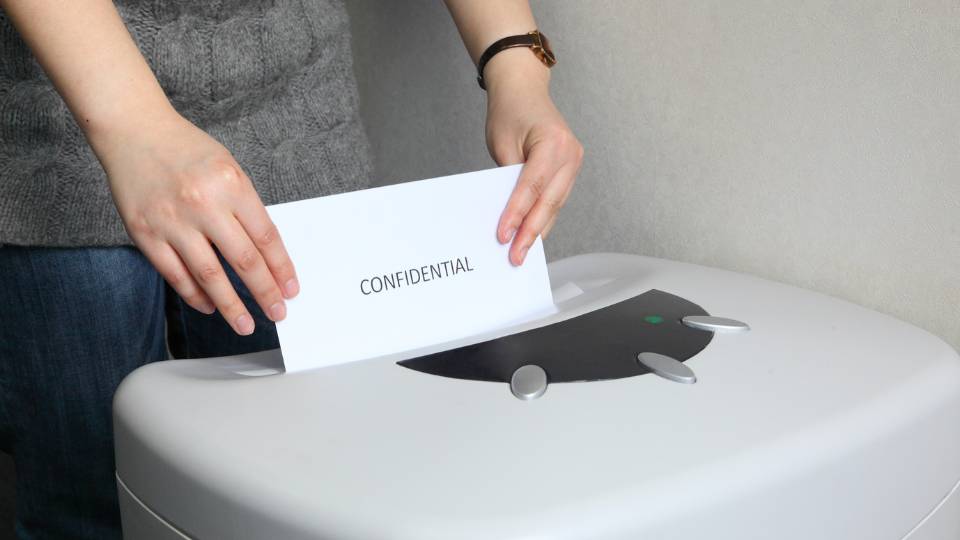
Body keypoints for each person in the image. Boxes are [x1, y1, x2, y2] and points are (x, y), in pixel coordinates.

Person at [0, 0, 583, 537]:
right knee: (86, 500)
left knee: (300, 486)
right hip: (61, 109)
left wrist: (515, 64)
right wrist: (133, 125)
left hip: (294, 119)